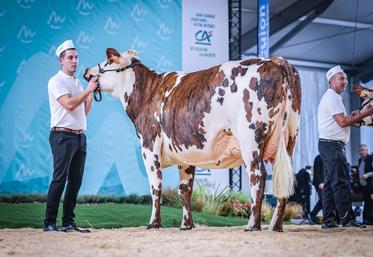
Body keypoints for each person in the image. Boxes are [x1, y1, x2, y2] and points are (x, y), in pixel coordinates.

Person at [43, 39, 98, 232]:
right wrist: (88, 90)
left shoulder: (76, 82)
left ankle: (68, 222)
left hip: (79, 136)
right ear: (61, 60)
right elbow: (69, 104)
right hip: (62, 135)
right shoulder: (56, 81)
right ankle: (49, 223)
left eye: (76, 57)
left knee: (75, 181)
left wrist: (91, 93)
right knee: (59, 179)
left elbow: (84, 111)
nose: (75, 61)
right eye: (70, 58)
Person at [317, 65, 373, 229]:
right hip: (333, 146)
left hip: (328, 145)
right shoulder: (332, 98)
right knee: (341, 183)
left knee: (329, 185)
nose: (346, 81)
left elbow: (342, 121)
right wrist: (366, 113)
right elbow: (343, 122)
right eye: (341, 78)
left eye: (346, 79)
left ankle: (329, 220)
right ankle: (348, 219)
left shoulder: (332, 98)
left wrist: (355, 116)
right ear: (332, 81)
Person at [357, 144, 373, 225]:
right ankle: (366, 220)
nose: (361, 152)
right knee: (366, 203)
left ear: (367, 150)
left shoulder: (371, 159)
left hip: (370, 186)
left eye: (363, 150)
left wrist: (367, 175)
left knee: (370, 203)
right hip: (363, 186)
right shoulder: (360, 160)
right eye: (360, 150)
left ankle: (370, 221)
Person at [309, 154, 324, 224]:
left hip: (325, 183)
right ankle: (312, 215)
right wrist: (320, 182)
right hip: (319, 183)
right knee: (323, 199)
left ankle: (313, 215)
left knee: (324, 200)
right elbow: (316, 171)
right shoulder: (318, 157)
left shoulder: (328, 156)